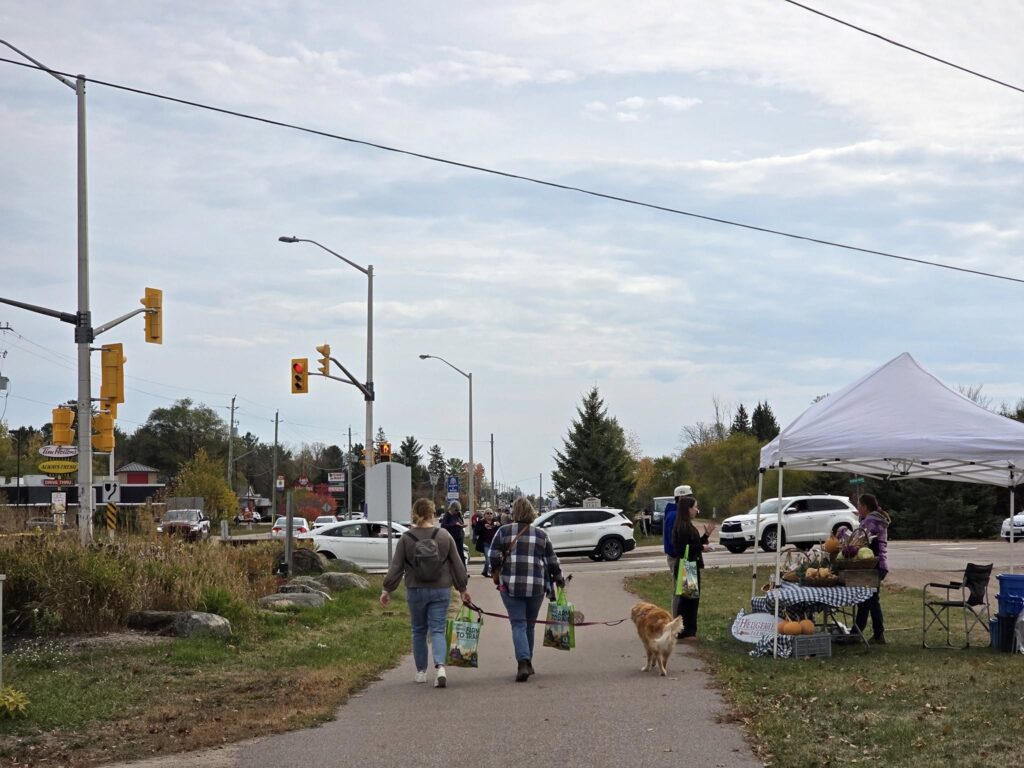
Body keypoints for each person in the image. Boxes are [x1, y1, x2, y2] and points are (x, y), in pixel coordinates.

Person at [381, 498, 471, 688]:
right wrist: (462, 589)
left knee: (419, 630)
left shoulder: (406, 538)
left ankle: (421, 672)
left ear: (414, 513)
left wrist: (387, 589)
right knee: (437, 629)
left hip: (416, 590)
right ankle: (440, 668)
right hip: (441, 589)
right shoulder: (444, 535)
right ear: (432, 514)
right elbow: (457, 565)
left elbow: (396, 566)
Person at [488, 497, 565, 682]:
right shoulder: (541, 535)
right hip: (536, 586)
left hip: (510, 585)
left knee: (518, 624)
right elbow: (552, 560)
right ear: (531, 512)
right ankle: (527, 661)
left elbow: (492, 555)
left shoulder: (503, 531)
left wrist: (498, 569)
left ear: (514, 512)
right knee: (529, 625)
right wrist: (559, 578)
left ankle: (523, 662)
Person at [670, 495, 715, 640]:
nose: (697, 510)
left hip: (690, 564)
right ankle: (685, 632)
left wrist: (706, 536)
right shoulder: (682, 526)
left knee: (691, 599)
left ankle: (688, 631)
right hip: (686, 565)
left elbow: (693, 544)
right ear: (687, 509)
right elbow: (684, 549)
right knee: (687, 601)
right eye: (695, 507)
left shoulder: (687, 525)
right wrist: (702, 546)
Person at [852, 493, 891, 645]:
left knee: (869, 599)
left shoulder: (871, 521)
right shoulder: (874, 518)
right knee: (869, 599)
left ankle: (863, 633)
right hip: (880, 565)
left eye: (859, 506)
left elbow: (858, 541)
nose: (857, 509)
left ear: (865, 507)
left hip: (874, 565)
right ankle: (867, 633)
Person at [662, 484, 692, 619]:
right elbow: (674, 540)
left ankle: (683, 621)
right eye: (688, 497)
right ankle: (677, 621)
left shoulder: (677, 515)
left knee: (686, 591)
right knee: (680, 592)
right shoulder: (674, 516)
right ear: (681, 498)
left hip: (681, 557)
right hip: (678, 558)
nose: (691, 500)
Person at [472, 508, 501, 575]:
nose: (489, 515)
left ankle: (485, 571)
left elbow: (500, 531)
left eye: (491, 513)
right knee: (488, 558)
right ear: (484, 515)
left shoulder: (495, 522)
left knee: (491, 558)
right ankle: (488, 572)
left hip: (494, 544)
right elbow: (476, 532)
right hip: (485, 543)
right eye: (487, 513)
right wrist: (484, 527)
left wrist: (499, 525)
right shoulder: (481, 522)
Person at [440, 500, 468, 566]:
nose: (457, 512)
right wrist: (454, 524)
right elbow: (443, 526)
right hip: (451, 537)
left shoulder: (458, 514)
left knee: (461, 554)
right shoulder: (447, 515)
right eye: (456, 510)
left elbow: (461, 522)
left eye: (458, 510)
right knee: (452, 554)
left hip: (459, 536)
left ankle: (463, 571)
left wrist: (461, 525)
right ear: (452, 508)